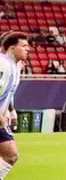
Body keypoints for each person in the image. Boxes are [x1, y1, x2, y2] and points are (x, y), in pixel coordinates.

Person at [0, 33, 31, 178]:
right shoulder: (3, 64)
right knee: (10, 155)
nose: (28, 49)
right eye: (24, 46)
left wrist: (11, 112)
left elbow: (7, 94)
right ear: (12, 48)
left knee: (11, 155)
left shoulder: (12, 66)